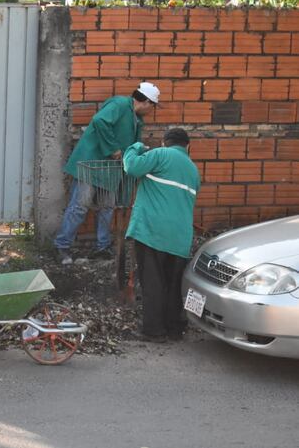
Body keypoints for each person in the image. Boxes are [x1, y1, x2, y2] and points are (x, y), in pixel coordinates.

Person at [54, 82, 160, 265]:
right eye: (153, 105)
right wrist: (113, 148)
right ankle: (61, 246)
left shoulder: (136, 118)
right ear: (147, 102)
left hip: (110, 169)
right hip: (91, 163)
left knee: (107, 207)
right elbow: (99, 121)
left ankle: (102, 247)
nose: (152, 109)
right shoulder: (119, 104)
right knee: (80, 206)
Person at [123, 127, 200, 343]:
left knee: (153, 282)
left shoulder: (160, 154)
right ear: (188, 146)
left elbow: (131, 166)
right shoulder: (194, 170)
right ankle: (175, 328)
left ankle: (154, 331)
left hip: (153, 232)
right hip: (181, 237)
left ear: (165, 142)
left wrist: (135, 147)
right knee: (173, 285)